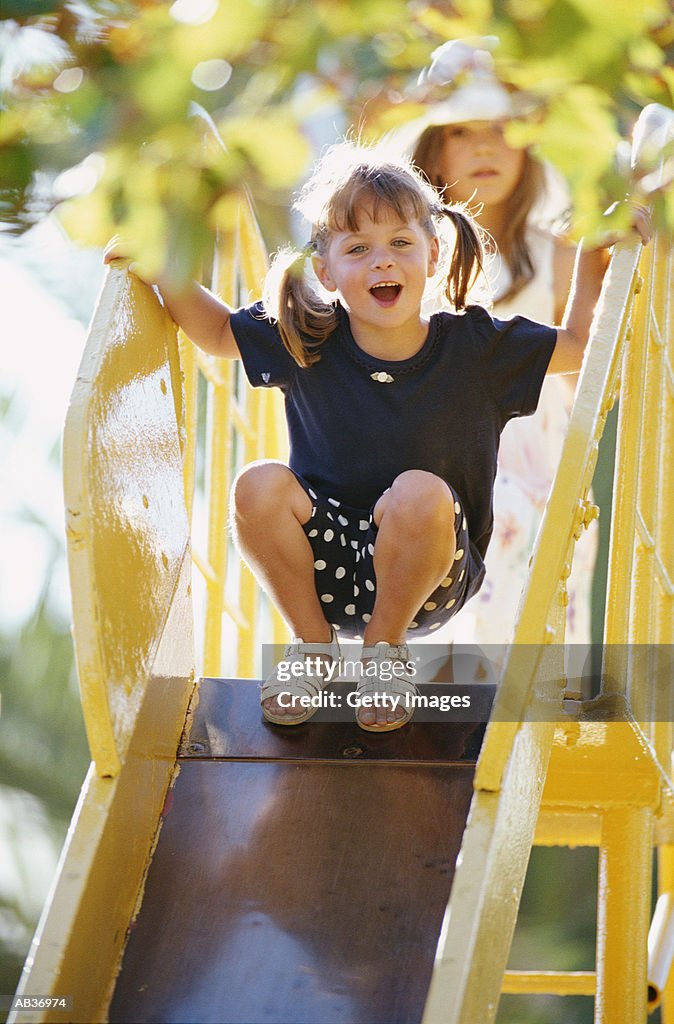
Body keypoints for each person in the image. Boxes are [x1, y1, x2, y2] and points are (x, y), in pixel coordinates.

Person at [105, 140, 646, 733]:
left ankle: (385, 654)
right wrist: (159, 264)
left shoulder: (476, 347)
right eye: (357, 248)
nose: (381, 262)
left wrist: (594, 260)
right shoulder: (305, 336)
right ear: (325, 270)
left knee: (417, 491)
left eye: (400, 244)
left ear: (433, 255)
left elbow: (577, 350)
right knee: (257, 484)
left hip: (434, 573)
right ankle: (313, 648)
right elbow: (214, 333)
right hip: (327, 567)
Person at [406, 39, 598, 656]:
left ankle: (505, 727)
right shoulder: (409, 255)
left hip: (536, 468)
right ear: (432, 149)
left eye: (502, 128)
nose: (484, 147)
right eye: (461, 131)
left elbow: (586, 366)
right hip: (435, 463)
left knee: (518, 529)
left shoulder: (559, 253)